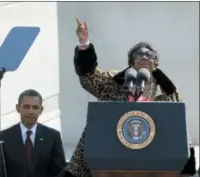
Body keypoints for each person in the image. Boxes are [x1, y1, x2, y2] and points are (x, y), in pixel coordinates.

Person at [60, 18, 196, 177]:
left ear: (156, 63)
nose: (144, 56)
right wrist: (84, 43)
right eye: (139, 54)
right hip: (108, 155)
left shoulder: (168, 91)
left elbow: (177, 127)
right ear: (131, 62)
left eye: (149, 54)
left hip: (153, 159)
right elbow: (89, 77)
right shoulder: (112, 80)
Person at [0, 89, 66, 177]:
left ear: (41, 110)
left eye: (35, 107)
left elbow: (59, 171)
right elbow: (0, 172)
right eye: (26, 107)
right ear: (18, 108)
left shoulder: (53, 136)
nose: (30, 111)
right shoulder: (3, 137)